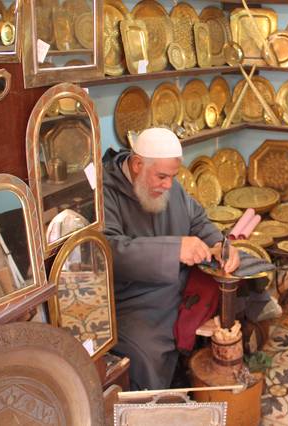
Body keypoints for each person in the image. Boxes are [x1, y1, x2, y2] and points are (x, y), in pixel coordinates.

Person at [102, 127, 240, 390]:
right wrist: (174, 250)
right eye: (162, 177)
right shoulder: (105, 193)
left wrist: (220, 244)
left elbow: (198, 219)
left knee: (237, 291)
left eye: (172, 177)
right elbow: (110, 251)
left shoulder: (168, 184)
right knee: (145, 353)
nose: (169, 185)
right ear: (137, 164)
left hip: (179, 284)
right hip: (134, 300)